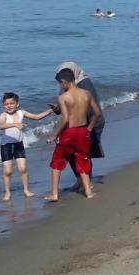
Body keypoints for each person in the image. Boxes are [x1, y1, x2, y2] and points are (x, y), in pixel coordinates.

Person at [46, 67, 101, 201]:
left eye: (60, 83)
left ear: (64, 82)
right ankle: (88, 192)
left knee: (57, 162)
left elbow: (65, 119)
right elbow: (97, 113)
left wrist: (54, 135)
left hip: (69, 132)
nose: (60, 86)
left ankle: (54, 194)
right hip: (83, 131)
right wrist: (89, 128)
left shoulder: (63, 97)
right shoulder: (86, 93)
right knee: (83, 159)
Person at [0, 92, 53, 201]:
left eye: (11, 103)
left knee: (22, 169)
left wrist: (51, 111)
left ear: (17, 104)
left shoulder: (21, 112)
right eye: (6, 104)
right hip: (6, 146)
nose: (9, 106)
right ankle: (7, 193)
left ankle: (26, 190)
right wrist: (15, 124)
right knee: (8, 171)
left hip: (19, 144)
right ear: (3, 105)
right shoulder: (3, 115)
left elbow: (37, 117)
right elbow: (1, 125)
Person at [54, 62, 106, 161]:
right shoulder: (70, 86)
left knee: (80, 155)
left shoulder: (84, 85)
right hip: (83, 127)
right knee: (81, 156)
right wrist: (58, 109)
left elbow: (90, 111)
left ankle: (83, 175)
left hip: (86, 127)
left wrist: (89, 128)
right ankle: (84, 175)